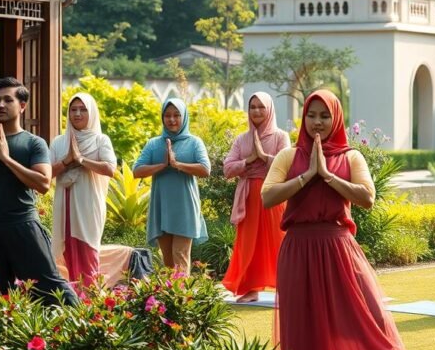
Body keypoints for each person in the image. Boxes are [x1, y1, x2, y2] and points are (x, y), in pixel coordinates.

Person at [261, 90, 416, 350]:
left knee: (372, 316)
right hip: (298, 250)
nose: (317, 122)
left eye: (324, 115)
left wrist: (328, 175)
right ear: (303, 118)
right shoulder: (288, 156)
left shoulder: (351, 156)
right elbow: (267, 197)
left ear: (336, 118)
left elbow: (367, 198)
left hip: (339, 248)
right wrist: (307, 175)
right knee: (302, 326)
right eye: (312, 115)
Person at [0, 77, 77, 305]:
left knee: (49, 288)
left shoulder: (34, 143)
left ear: (22, 106)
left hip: (23, 225)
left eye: (8, 100)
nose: (0, 105)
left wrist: (7, 160)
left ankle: (82, 329)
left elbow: (43, 183)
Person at [222, 92, 290, 303]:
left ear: (269, 109)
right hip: (249, 196)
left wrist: (264, 157)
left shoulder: (280, 136)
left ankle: (287, 288)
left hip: (274, 194)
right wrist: (248, 161)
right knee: (249, 242)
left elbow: (289, 165)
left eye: (261, 106)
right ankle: (250, 289)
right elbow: (227, 168)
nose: (257, 111)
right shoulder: (242, 139)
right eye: (252, 107)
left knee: (280, 240)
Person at [133, 98, 210, 272]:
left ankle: (182, 298)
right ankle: (171, 298)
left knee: (180, 257)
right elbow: (137, 171)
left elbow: (205, 169)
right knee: (168, 263)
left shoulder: (194, 142)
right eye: (167, 115)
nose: (172, 119)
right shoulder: (154, 144)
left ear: (184, 117)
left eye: (176, 115)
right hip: (162, 208)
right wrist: (162, 165)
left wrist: (177, 165)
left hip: (185, 208)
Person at [49, 93, 116, 288]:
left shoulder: (100, 140)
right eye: (73, 109)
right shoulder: (59, 142)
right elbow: (48, 173)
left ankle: (90, 307)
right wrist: (67, 160)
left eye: (83, 109)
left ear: (92, 112)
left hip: (88, 205)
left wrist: (81, 160)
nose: (77, 114)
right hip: (64, 206)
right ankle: (73, 304)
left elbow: (110, 169)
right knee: (67, 255)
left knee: (88, 255)